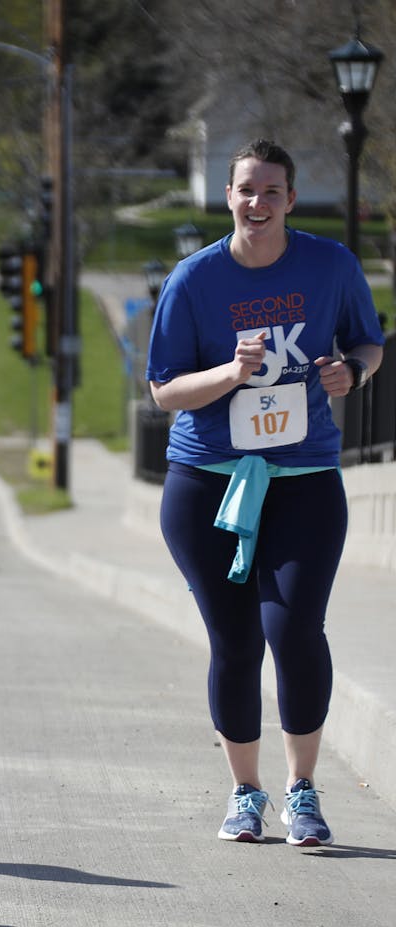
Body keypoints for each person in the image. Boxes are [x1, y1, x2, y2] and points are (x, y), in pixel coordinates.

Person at [146, 138, 383, 848]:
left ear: (289, 197)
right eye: (247, 189)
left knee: (293, 628)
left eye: (272, 190)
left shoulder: (330, 265)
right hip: (207, 484)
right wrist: (229, 372)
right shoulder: (194, 279)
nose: (259, 203)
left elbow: (367, 344)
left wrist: (353, 372)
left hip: (304, 478)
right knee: (235, 638)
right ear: (228, 196)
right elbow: (164, 389)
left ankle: (302, 789)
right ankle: (244, 791)